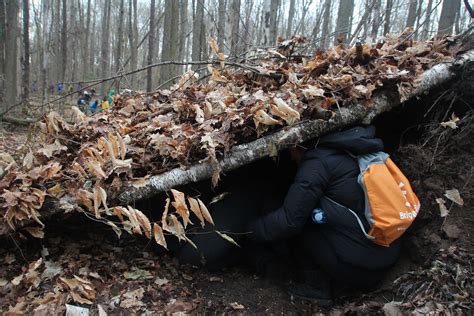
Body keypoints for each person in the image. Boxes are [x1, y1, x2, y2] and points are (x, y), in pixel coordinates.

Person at [246, 126, 402, 305]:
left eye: (290, 149)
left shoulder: (317, 163)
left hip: (362, 270)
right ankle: (337, 276)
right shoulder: (355, 147)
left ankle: (316, 288)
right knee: (317, 214)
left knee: (300, 224)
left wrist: (249, 232)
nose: (290, 156)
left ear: (299, 143)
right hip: (389, 253)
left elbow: (289, 222)